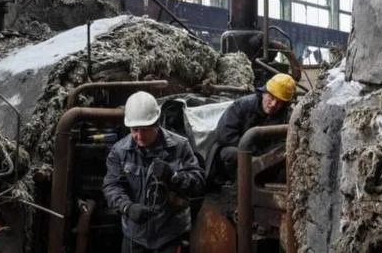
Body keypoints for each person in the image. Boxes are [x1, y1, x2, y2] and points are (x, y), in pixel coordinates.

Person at [103, 91, 205, 253]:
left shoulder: (180, 146)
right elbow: (112, 186)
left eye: (145, 130)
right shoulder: (120, 151)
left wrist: (173, 176)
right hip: (135, 237)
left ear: (156, 124)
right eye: (135, 130)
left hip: (171, 236)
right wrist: (128, 207)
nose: (139, 136)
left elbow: (198, 184)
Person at [214, 73, 297, 178]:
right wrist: (252, 152)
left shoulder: (287, 117)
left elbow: (284, 143)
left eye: (279, 102)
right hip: (240, 151)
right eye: (271, 97)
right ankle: (233, 183)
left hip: (267, 159)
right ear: (263, 93)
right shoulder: (242, 105)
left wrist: (266, 156)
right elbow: (225, 134)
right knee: (230, 153)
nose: (273, 104)